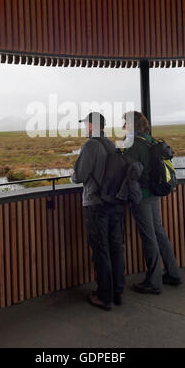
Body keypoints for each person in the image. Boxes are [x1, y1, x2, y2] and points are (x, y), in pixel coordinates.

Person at [122, 111, 182, 294]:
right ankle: (173, 273)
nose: (124, 127)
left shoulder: (133, 145)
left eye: (125, 123)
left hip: (142, 196)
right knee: (159, 232)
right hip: (155, 193)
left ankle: (154, 282)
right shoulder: (151, 140)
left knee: (149, 237)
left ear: (132, 125)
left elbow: (130, 172)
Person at [71, 112, 125, 310]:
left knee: (101, 250)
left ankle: (104, 296)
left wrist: (72, 175)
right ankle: (118, 292)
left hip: (96, 203)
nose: (85, 128)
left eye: (86, 124)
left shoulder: (90, 145)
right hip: (114, 203)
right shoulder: (110, 144)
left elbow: (79, 176)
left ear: (92, 126)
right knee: (115, 247)